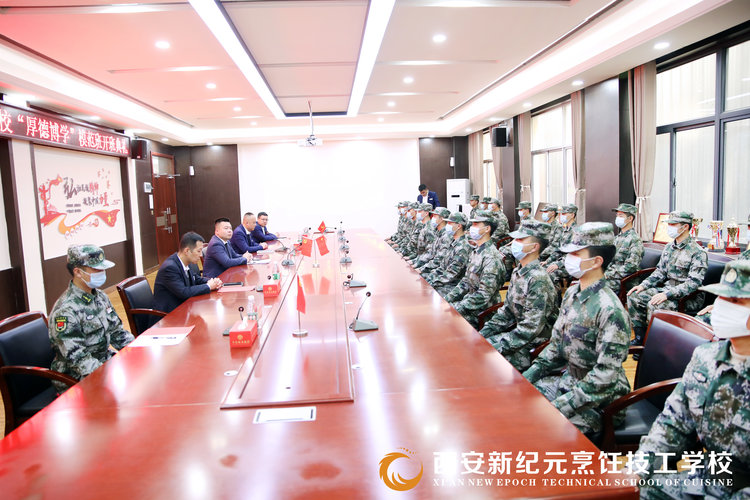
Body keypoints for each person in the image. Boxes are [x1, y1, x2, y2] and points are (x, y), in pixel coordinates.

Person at [636, 259, 750, 499]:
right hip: (710, 478)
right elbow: (673, 423)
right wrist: (638, 470)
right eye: (721, 297)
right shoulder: (706, 357)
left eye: (736, 301)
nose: (722, 306)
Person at [523, 223, 630, 437]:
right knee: (519, 403)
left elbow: (604, 377)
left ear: (596, 261)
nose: (568, 259)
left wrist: (559, 406)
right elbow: (556, 346)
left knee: (542, 431)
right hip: (569, 381)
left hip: (600, 401)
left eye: (576, 254)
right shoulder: (572, 294)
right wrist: (528, 376)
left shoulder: (610, 310)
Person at [48, 244, 134, 393]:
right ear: (78, 272)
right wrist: (109, 375)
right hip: (77, 377)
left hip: (103, 363)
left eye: (103, 269)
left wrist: (137, 351)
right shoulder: (66, 310)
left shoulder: (100, 297)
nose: (102, 273)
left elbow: (117, 332)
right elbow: (77, 358)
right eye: (96, 270)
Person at [479, 219, 559, 372]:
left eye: (520, 240)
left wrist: (498, 345)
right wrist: (483, 333)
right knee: (477, 346)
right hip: (516, 335)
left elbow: (531, 328)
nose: (514, 243)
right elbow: (506, 312)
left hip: (532, 343)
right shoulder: (519, 271)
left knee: (484, 360)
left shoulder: (538, 280)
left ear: (534, 247)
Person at [627, 210, 707, 346]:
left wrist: (668, 294)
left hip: (688, 297)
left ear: (685, 227)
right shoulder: (669, 247)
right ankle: (641, 338)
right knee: (634, 296)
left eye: (673, 224)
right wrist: (643, 285)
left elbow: (694, 283)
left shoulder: (698, 252)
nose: (669, 227)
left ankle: (655, 344)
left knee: (655, 304)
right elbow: (660, 272)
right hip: (667, 289)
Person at [444, 210, 506, 328]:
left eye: (476, 224)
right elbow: (465, 282)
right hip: (469, 303)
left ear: (487, 229)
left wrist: (457, 307)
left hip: (481, 312)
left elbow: (483, 296)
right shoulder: (477, 251)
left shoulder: (491, 257)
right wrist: (447, 299)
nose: (472, 227)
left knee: (443, 319)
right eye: (472, 224)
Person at [153, 231, 223, 313]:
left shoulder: (185, 262)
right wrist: (208, 286)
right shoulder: (170, 268)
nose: (201, 255)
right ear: (187, 251)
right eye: (198, 251)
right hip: (168, 314)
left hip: (184, 308)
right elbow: (183, 292)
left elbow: (196, 279)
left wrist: (213, 281)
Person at [423, 212, 472, 296]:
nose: (447, 225)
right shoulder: (453, 242)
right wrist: (430, 278)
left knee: (431, 293)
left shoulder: (462, 247)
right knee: (423, 279)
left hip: (453, 285)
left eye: (450, 223)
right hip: (445, 281)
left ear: (459, 226)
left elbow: (452, 273)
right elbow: (442, 267)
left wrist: (433, 282)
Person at [603, 203, 644, 294]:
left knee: (595, 287)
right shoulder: (617, 238)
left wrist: (608, 274)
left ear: (630, 219)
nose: (617, 218)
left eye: (621, 216)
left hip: (625, 280)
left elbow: (631, 267)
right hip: (611, 275)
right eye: (617, 215)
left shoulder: (635, 240)